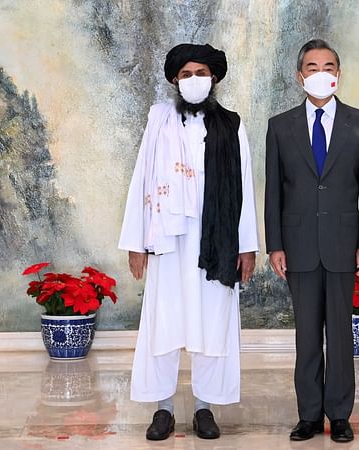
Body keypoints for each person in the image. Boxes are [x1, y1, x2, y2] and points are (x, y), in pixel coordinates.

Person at [118, 43, 258, 441]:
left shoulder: (231, 125)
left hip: (216, 241)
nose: (194, 80)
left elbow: (244, 188)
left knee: (211, 322)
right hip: (166, 239)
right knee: (163, 321)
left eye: (201, 73)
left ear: (213, 78)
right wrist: (135, 241)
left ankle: (204, 408)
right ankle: (162, 409)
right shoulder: (159, 121)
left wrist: (246, 245)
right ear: (175, 81)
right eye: (186, 74)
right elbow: (142, 178)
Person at [264, 39, 359, 443]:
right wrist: (275, 244)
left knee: (341, 336)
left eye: (328, 66)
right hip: (298, 247)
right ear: (300, 77)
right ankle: (309, 415)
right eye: (312, 67)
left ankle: (340, 415)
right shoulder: (279, 127)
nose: (320, 73)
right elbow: (274, 191)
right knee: (307, 335)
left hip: (343, 244)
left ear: (339, 74)